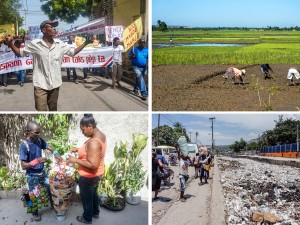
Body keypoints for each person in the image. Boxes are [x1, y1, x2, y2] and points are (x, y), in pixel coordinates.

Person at [2, 20, 92, 111]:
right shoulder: (35, 44)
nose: (54, 28)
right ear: (44, 30)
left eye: (54, 26)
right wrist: (10, 43)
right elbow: (20, 53)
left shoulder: (60, 44)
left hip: (55, 84)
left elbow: (72, 52)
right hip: (40, 85)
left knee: (53, 109)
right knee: (41, 110)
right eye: (51, 26)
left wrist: (85, 43)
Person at [19, 121, 62, 222]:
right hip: (32, 176)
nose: (39, 135)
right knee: (32, 196)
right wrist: (37, 161)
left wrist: (56, 153)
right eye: (36, 133)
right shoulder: (24, 146)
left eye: (39, 132)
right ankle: (34, 213)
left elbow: (48, 146)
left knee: (50, 189)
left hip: (42, 173)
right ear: (28, 132)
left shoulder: (38, 139)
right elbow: (23, 166)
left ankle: (54, 206)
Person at [68, 115, 106, 224]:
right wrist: (78, 149)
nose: (82, 132)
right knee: (94, 194)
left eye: (83, 129)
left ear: (90, 126)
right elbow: (94, 152)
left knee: (87, 199)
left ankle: (87, 218)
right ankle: (96, 213)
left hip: (88, 176)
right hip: (97, 174)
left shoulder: (93, 142)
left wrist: (75, 160)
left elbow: (93, 164)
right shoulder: (100, 135)